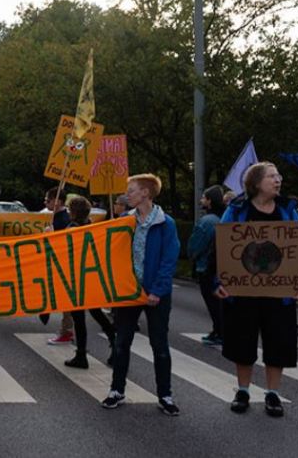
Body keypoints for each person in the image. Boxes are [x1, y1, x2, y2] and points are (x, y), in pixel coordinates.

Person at [215, 162, 298, 417]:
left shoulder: (287, 210)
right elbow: (221, 247)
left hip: (280, 294)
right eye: (271, 176)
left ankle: (273, 393)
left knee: (278, 342)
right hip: (243, 293)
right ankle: (243, 390)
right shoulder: (237, 210)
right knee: (243, 342)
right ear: (256, 182)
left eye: (278, 176)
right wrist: (219, 282)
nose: (278, 180)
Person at [102, 173, 180, 416]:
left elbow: (169, 259)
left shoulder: (165, 223)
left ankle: (165, 395)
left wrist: (158, 290)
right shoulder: (124, 220)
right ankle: (117, 390)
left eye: (132, 190)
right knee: (122, 342)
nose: (127, 195)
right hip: (128, 292)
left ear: (146, 193)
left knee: (160, 345)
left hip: (156, 294)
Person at [62, 196, 117, 369]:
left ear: (73, 212)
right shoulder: (92, 226)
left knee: (79, 319)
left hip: (76, 278)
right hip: (90, 277)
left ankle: (81, 354)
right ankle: (114, 342)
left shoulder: (72, 229)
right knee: (96, 312)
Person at [188, 185, 226, 346]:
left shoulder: (207, 221)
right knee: (219, 303)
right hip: (222, 267)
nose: (201, 200)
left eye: (204, 197)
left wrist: (192, 255)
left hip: (206, 266)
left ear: (210, 201)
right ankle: (220, 330)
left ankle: (219, 332)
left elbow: (196, 246)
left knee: (213, 303)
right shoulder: (224, 218)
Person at [43, 187, 74, 345]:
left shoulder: (63, 219)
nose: (45, 202)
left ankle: (66, 331)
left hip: (64, 265)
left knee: (67, 300)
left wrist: (51, 235)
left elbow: (63, 243)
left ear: (58, 201)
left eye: (48, 199)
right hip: (60, 264)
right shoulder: (58, 217)